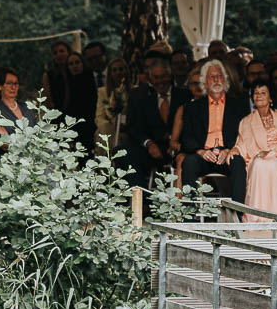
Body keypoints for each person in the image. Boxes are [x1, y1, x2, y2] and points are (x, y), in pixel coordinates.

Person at [175, 60, 247, 201]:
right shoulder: (193, 107)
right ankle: (189, 215)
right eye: (211, 77)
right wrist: (200, 151)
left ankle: (239, 215)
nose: (216, 80)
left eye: (219, 76)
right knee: (189, 162)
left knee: (238, 163)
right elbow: (186, 137)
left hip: (226, 154)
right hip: (204, 154)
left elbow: (243, 133)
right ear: (205, 82)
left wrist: (229, 150)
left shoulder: (238, 105)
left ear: (225, 79)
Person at [234, 81, 277, 220]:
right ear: (252, 98)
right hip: (256, 158)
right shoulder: (245, 121)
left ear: (270, 98)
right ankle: (259, 217)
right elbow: (241, 145)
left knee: (271, 164)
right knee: (260, 164)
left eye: (263, 93)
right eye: (256, 93)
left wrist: (272, 153)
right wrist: (234, 150)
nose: (259, 96)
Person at [133, 56, 188, 188]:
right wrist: (149, 143)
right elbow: (136, 128)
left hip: (180, 149)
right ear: (151, 80)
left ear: (170, 76)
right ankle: (142, 200)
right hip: (154, 150)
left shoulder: (185, 96)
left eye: (163, 76)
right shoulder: (144, 101)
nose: (160, 81)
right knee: (124, 152)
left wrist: (175, 141)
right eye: (156, 78)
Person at [61, 51, 99, 152]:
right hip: (73, 123)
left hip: (89, 122)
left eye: (77, 62)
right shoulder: (67, 82)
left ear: (82, 63)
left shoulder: (89, 78)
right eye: (71, 64)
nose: (74, 66)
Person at [95, 56, 129, 157]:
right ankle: (107, 162)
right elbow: (99, 117)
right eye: (114, 70)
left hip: (127, 129)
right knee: (106, 129)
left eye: (121, 69)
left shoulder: (134, 91)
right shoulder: (102, 92)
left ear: (126, 71)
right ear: (110, 73)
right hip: (109, 129)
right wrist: (110, 125)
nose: (118, 72)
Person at [42, 40, 73, 111]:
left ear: (68, 52)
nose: (59, 54)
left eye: (62, 51)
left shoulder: (75, 71)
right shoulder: (48, 75)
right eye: (55, 53)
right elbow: (49, 102)